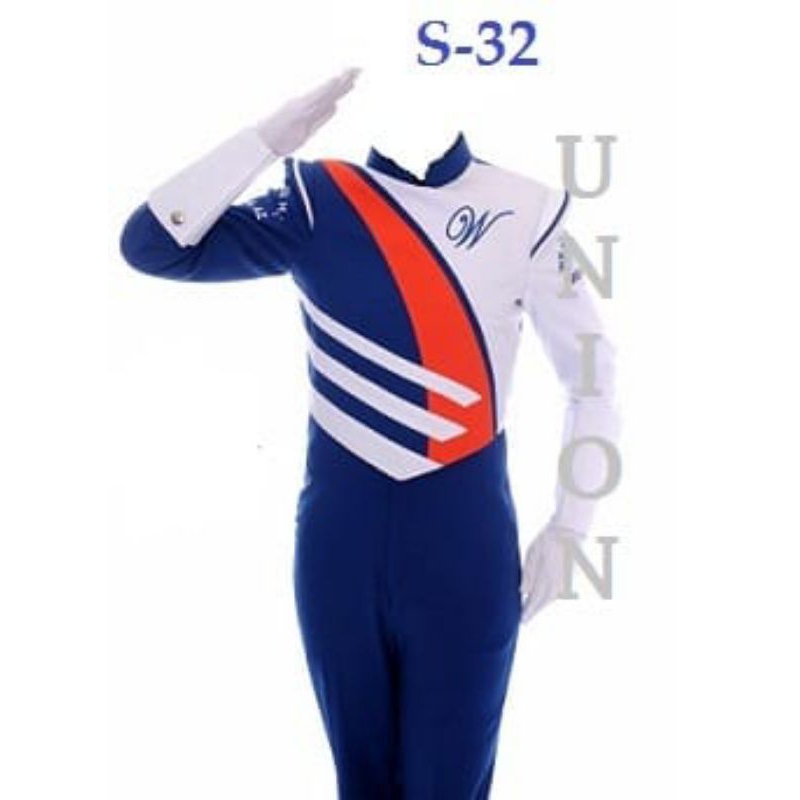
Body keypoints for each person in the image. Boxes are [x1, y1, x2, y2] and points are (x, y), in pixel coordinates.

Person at [119, 69, 619, 799]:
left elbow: (594, 377)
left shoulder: (528, 208)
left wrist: (571, 526)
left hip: (464, 548)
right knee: (361, 784)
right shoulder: (318, 199)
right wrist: (264, 142)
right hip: (340, 551)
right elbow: (152, 245)